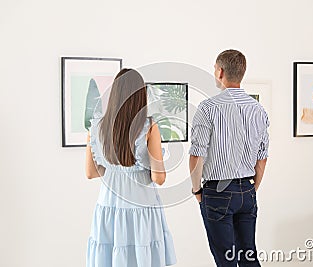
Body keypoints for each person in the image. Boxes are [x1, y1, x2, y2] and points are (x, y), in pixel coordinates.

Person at [85, 69, 176, 267]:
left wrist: (115, 169)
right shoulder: (149, 126)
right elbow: (159, 178)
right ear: (140, 95)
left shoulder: (97, 126)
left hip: (109, 206)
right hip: (141, 207)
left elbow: (91, 172)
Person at [189, 49, 269, 267]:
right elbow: (262, 157)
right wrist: (252, 189)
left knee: (225, 260)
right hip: (247, 191)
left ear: (220, 71)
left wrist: (197, 190)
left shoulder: (208, 108)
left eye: (215, 68)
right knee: (248, 257)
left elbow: (197, 155)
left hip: (217, 192)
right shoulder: (258, 110)